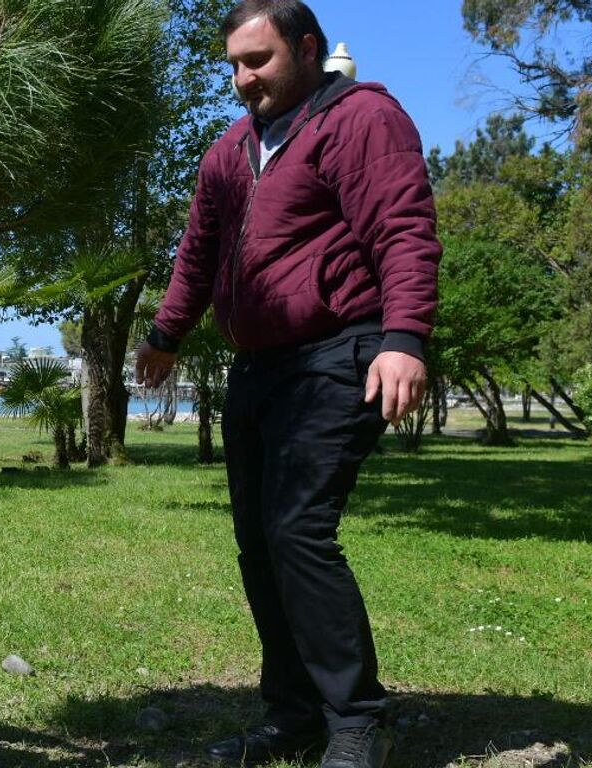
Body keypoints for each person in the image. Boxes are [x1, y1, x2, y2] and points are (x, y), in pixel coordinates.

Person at [133, 2, 438, 767]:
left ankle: (359, 720)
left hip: (341, 351)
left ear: (307, 49)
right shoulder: (231, 151)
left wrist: (404, 339)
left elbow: (404, 227)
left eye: (259, 60)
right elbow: (198, 252)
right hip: (260, 366)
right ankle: (295, 713)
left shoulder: (361, 118)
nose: (244, 79)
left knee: (298, 528)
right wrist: (167, 333)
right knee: (259, 544)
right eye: (234, 65)